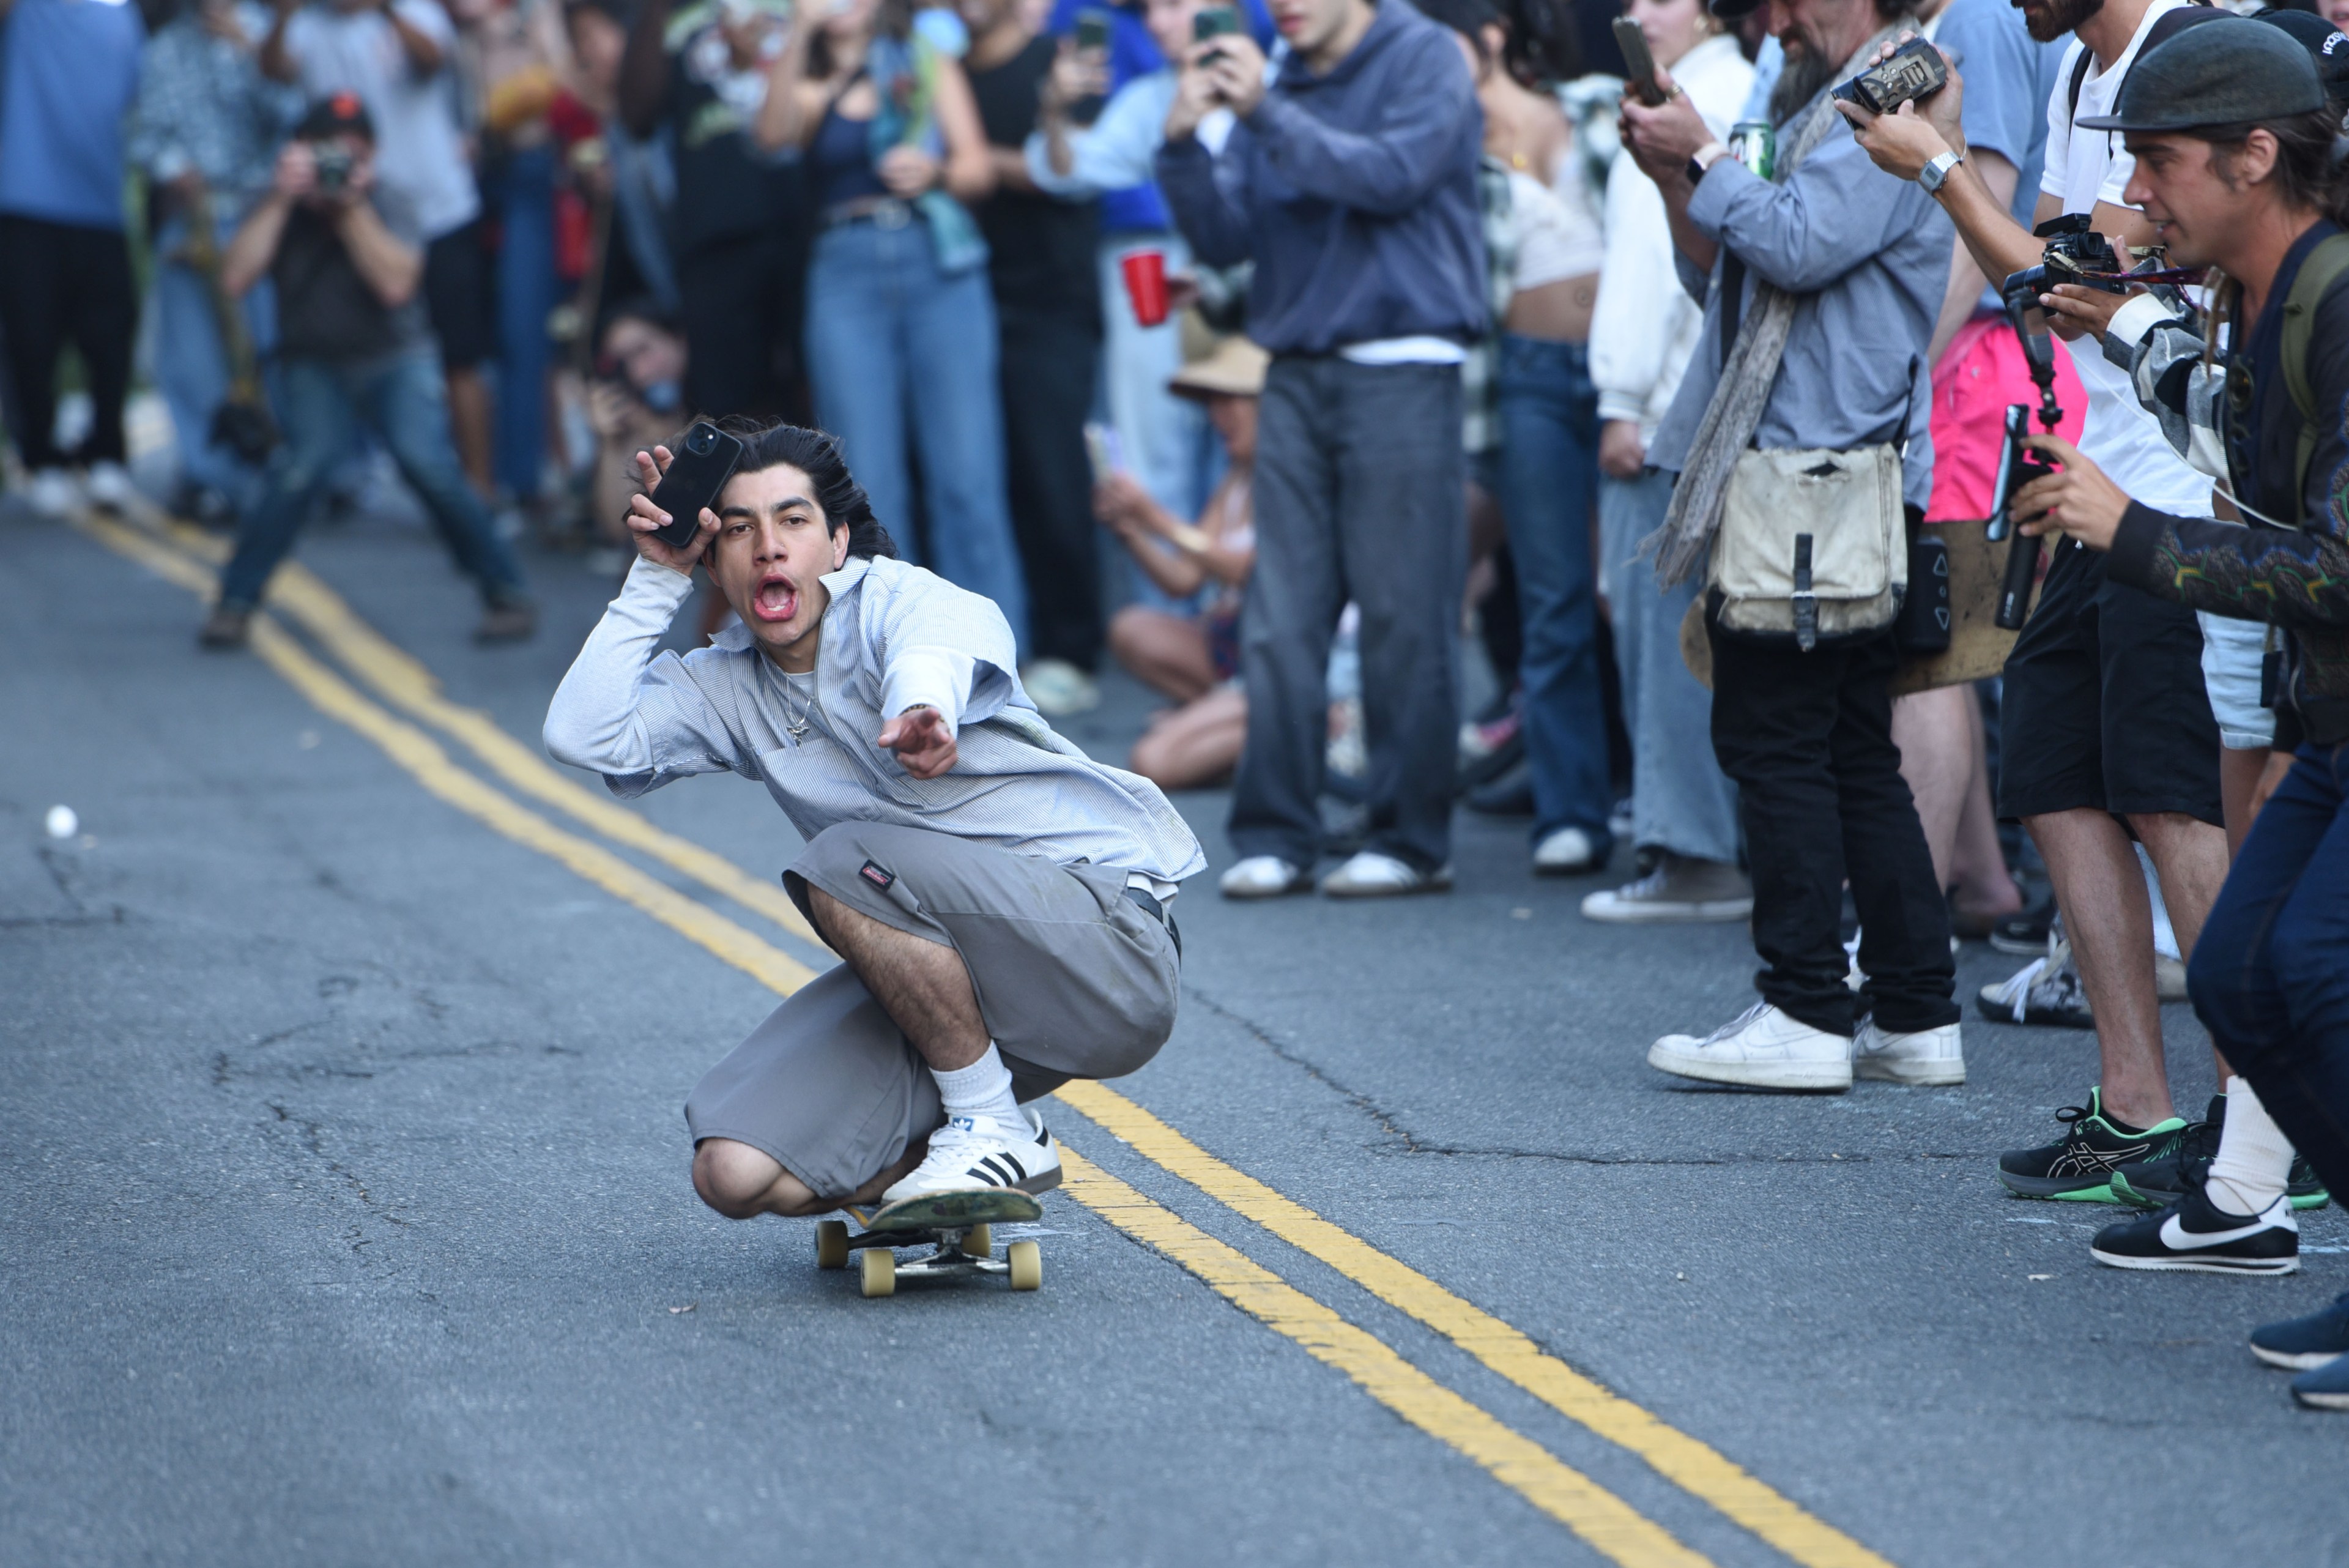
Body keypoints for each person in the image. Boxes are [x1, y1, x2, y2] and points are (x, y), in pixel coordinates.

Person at [542, 420, 1204, 1217]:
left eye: (792, 520)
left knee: (843, 857)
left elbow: (931, 653)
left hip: (1105, 948)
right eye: (741, 529)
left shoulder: (905, 600)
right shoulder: (727, 685)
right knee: (738, 1171)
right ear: (713, 558)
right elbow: (582, 734)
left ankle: (989, 1121)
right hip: (959, 982)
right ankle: (961, 1158)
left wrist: (923, 711)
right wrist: (654, 578)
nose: (769, 548)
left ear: (838, 542)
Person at [1973, 18, 2349, 1392]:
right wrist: (2125, 325)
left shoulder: (2339, 295)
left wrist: (2128, 532)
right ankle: (2253, 1211)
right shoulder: (2260, 290)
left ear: (2259, 155)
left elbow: (2336, 560)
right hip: (2333, 718)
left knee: (2298, 973)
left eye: (2161, 163)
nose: (2134, 195)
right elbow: (2226, 424)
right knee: (2247, 973)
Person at [1842, 0, 2240, 1199]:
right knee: (2059, 787)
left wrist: (1945, 171)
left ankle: (2260, 1120)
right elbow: (2061, 275)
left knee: (2173, 804)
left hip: (2178, 493)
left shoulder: (2189, 46)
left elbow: (2079, 277)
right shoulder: (2076, 66)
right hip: (2086, 479)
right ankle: (2137, 1113)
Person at [1619, 0, 1962, 1091]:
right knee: (1851, 745)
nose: (1770, 18)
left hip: (1817, 477)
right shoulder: (1822, 92)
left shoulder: (1901, 79)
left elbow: (1802, 246)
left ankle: (1808, 1007)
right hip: (1823, 474)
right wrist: (1682, 177)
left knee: (1776, 738)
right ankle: (1913, 1013)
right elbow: (1727, 276)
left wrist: (1706, 155)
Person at [1158, 0, 1485, 899]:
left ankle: (1412, 839)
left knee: (1403, 615)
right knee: (1278, 615)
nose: (1282, 6)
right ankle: (1278, 832)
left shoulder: (1425, 56)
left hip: (1403, 365)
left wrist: (1262, 109)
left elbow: (1389, 177)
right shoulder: (1286, 76)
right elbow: (1228, 238)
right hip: (1295, 372)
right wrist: (1184, 145)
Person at [200, 95, 535, 649]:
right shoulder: (275, 202)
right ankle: (235, 602)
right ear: (299, 152)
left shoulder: (391, 199)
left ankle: (507, 593)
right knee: (299, 469)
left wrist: (351, 207)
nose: (336, 167)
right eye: (324, 154)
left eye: (350, 155)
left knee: (428, 464)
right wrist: (284, 199)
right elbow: (234, 279)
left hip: (395, 357)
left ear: (372, 157)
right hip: (313, 362)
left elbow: (396, 284)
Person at [752, 0, 1031, 649]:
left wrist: (934, 171)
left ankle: (992, 660)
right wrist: (800, 28)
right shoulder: (813, 76)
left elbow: (977, 168)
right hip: (846, 271)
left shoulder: (923, 59)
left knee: (967, 476)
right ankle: (891, 659)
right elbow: (772, 138)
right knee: (866, 486)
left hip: (936, 262)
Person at [1884, 0, 2057, 943]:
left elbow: (1978, 212)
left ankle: (1900, 918)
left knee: (1934, 650)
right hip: (1978, 359)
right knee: (1952, 647)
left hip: (1974, 359)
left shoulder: (1985, 17)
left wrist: (1906, 362)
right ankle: (1982, 879)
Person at [1583, 0, 1755, 923]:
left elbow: (1667, 265)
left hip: (1665, 406)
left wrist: (1625, 399)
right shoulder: (1717, 87)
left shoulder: (1703, 94)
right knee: (1683, 628)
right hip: (1687, 400)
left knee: (1663, 630)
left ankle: (1691, 850)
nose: (1635, 11)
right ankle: (1697, 840)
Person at [1027, 0, 1244, 537]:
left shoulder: (1274, 82)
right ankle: (1170, 612)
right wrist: (1056, 111)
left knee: (1255, 465)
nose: (1155, 22)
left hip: (1264, 293)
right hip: (1169, 278)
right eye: (1150, 9)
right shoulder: (1152, 98)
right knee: (1154, 464)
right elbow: (1066, 170)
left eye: (1173, 5)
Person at [265, 0, 497, 499]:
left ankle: (481, 491)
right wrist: (282, 14)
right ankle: (345, 474)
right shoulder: (307, 24)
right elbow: (273, 71)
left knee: (460, 355)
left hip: (439, 210)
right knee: (360, 344)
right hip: (353, 214)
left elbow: (434, 57)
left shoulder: (414, 11)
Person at [960, 0, 1108, 717]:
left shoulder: (1060, 59)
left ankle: (1074, 651)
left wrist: (974, 161)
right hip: (969, 301)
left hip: (1052, 301)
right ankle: (1013, 642)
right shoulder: (949, 72)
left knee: (1054, 476)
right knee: (996, 483)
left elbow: (1079, 168)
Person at [129, 0, 303, 527]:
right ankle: (210, 475)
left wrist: (251, 52)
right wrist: (173, 170)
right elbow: (145, 135)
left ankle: (285, 466)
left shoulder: (262, 35)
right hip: (194, 220)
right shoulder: (164, 50)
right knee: (191, 357)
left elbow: (294, 119)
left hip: (257, 214)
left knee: (269, 345)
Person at [618, 0, 805, 423]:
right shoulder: (678, 15)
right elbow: (635, 114)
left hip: (805, 216)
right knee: (729, 412)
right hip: (714, 234)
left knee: (817, 389)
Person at [1098, 332, 1264, 791]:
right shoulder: (1238, 478)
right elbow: (1184, 580)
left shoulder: (1293, 474)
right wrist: (1133, 530)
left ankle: (1304, 739)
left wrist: (1156, 517)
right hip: (1239, 653)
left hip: (1287, 663)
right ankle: (1225, 725)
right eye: (1213, 403)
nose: (1217, 416)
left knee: (1151, 759)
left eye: (1231, 402)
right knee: (1131, 626)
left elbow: (1249, 569)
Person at [0, 0, 146, 519]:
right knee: (31, 342)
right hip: (27, 202)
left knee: (110, 343)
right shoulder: (30, 11)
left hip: (101, 207)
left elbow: (137, 99)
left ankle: (108, 455)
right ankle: (41, 460)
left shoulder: (123, 16)